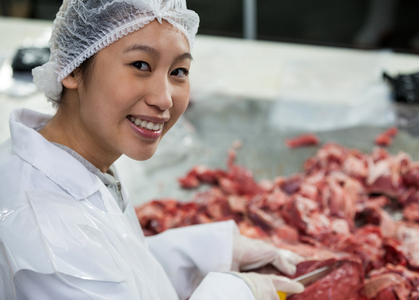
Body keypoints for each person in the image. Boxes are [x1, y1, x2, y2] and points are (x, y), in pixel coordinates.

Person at [0, 0, 305, 299]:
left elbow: (115, 268)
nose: (165, 99)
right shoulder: (49, 233)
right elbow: (80, 262)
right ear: (72, 68)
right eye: (141, 65)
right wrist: (238, 293)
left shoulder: (79, 159)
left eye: (179, 71)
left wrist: (207, 254)